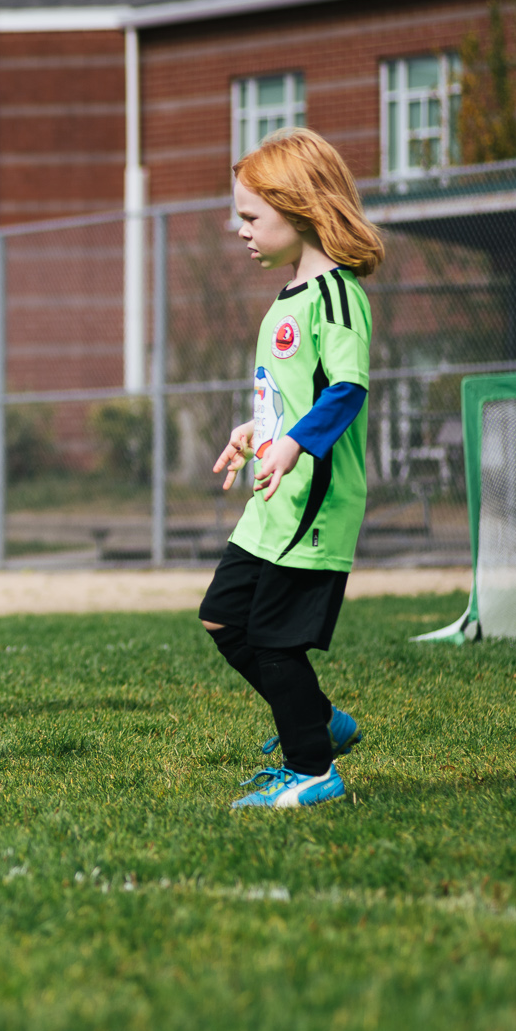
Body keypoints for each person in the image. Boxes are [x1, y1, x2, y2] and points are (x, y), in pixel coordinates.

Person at [205, 128, 383, 809]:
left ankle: (313, 769)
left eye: (251, 216)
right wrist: (257, 433)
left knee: (276, 641)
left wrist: (296, 446)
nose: (241, 229)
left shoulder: (337, 295)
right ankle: (320, 719)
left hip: (315, 502)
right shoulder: (288, 297)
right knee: (224, 619)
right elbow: (297, 393)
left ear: (300, 207)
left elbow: (346, 388)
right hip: (272, 498)